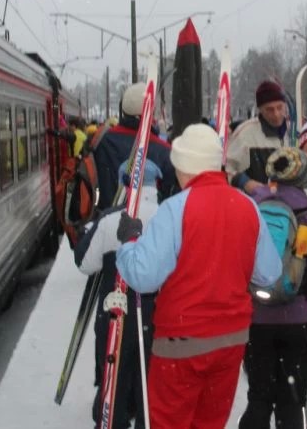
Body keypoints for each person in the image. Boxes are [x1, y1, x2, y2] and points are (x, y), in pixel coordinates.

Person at [115, 123, 282, 429]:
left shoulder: (175, 209)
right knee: (209, 423)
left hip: (181, 340)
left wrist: (128, 243)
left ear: (184, 167)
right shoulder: (248, 207)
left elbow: (143, 276)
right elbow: (270, 272)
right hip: (231, 339)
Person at [240, 147, 307, 429]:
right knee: (291, 401)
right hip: (300, 320)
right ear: (304, 177)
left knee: (258, 397)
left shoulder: (251, 210)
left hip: (256, 318)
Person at [74, 162, 163, 429]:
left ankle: (115, 418)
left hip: (116, 310)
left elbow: (85, 264)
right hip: (156, 312)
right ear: (156, 184)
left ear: (126, 184)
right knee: (150, 378)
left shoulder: (111, 219)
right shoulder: (168, 216)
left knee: (115, 376)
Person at [92, 82, 177, 208]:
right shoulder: (163, 151)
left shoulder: (103, 141)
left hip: (106, 218)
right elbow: (169, 197)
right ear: (150, 111)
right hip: (149, 222)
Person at [227, 80, 291, 195]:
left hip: (288, 202)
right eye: (269, 110)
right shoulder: (245, 133)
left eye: (279, 107)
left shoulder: (294, 131)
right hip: (255, 203)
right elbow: (226, 167)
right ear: (260, 109)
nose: (276, 114)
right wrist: (244, 182)